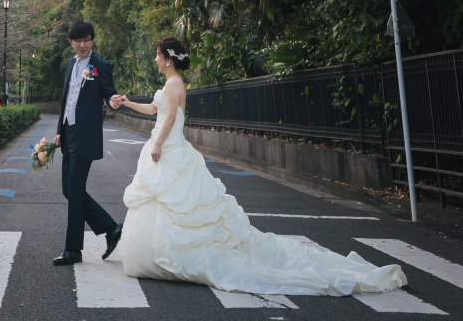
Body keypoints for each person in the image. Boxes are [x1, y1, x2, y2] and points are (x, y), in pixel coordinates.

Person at [111, 38, 407, 297]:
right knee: (168, 202)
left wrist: (159, 144)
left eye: (158, 54)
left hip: (172, 147)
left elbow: (171, 118)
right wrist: (126, 103)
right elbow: (155, 109)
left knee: (179, 203)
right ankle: (160, 254)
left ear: (168, 57)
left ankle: (172, 257)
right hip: (170, 146)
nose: (155, 59)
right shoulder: (167, 84)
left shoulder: (175, 84)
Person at [53, 21, 122, 268]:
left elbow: (108, 94)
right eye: (78, 40)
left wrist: (113, 101)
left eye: (87, 40)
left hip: (86, 137)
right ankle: (111, 227)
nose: (83, 45)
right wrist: (60, 130)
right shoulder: (71, 64)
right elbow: (67, 101)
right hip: (68, 134)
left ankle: (73, 250)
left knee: (74, 190)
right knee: (68, 190)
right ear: (71, 42)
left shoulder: (100, 66)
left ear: (93, 40)